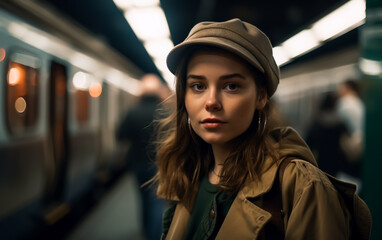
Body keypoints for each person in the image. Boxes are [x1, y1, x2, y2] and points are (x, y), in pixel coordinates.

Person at [152, 19, 371, 239]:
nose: (211, 102)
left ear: (261, 96)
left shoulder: (302, 187)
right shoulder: (189, 174)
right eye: (198, 86)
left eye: (231, 86)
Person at [117, 74, 170, 240]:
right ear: (157, 92)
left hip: (137, 164)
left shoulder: (132, 112)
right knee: (156, 200)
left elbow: (120, 136)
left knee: (142, 200)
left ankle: (146, 231)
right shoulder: (165, 113)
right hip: (159, 164)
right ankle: (154, 236)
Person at [306, 92, 349, 176]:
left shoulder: (317, 123)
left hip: (321, 161)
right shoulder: (340, 123)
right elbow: (347, 141)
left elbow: (308, 143)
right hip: (337, 162)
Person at [336, 79, 365, 178]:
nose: (338, 91)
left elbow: (338, 124)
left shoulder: (345, 102)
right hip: (360, 144)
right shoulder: (358, 102)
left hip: (351, 146)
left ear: (348, 88)